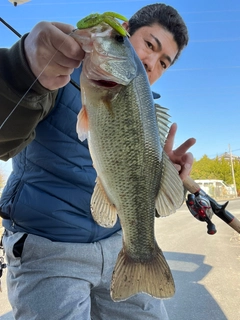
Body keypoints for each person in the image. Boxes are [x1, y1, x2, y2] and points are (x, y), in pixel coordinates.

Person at [0, 3, 196, 320]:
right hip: (48, 248)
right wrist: (22, 71)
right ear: (124, 31)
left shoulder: (146, 119)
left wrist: (163, 174)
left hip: (118, 245)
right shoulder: (54, 76)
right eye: (149, 45)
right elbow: (3, 136)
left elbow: (143, 199)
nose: (151, 64)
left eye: (164, 63)